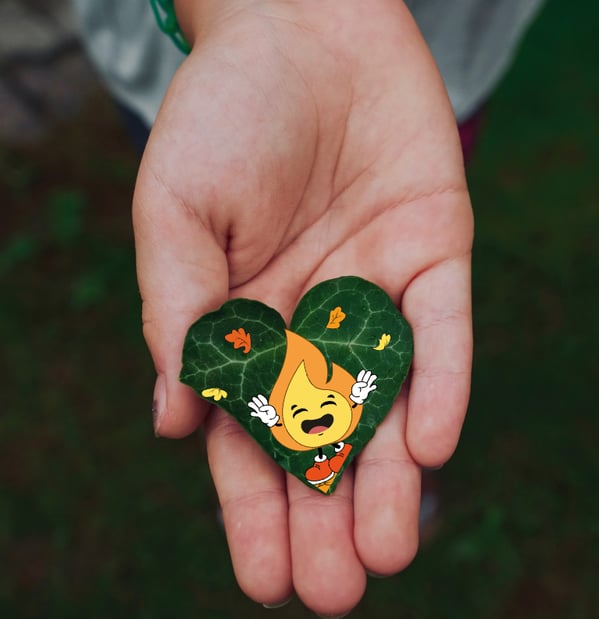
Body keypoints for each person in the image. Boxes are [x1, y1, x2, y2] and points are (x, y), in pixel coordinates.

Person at [71, 1, 543, 615]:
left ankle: (340, 446)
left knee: (415, 215)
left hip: (431, 72)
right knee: (215, 263)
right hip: (192, 73)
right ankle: (268, 437)